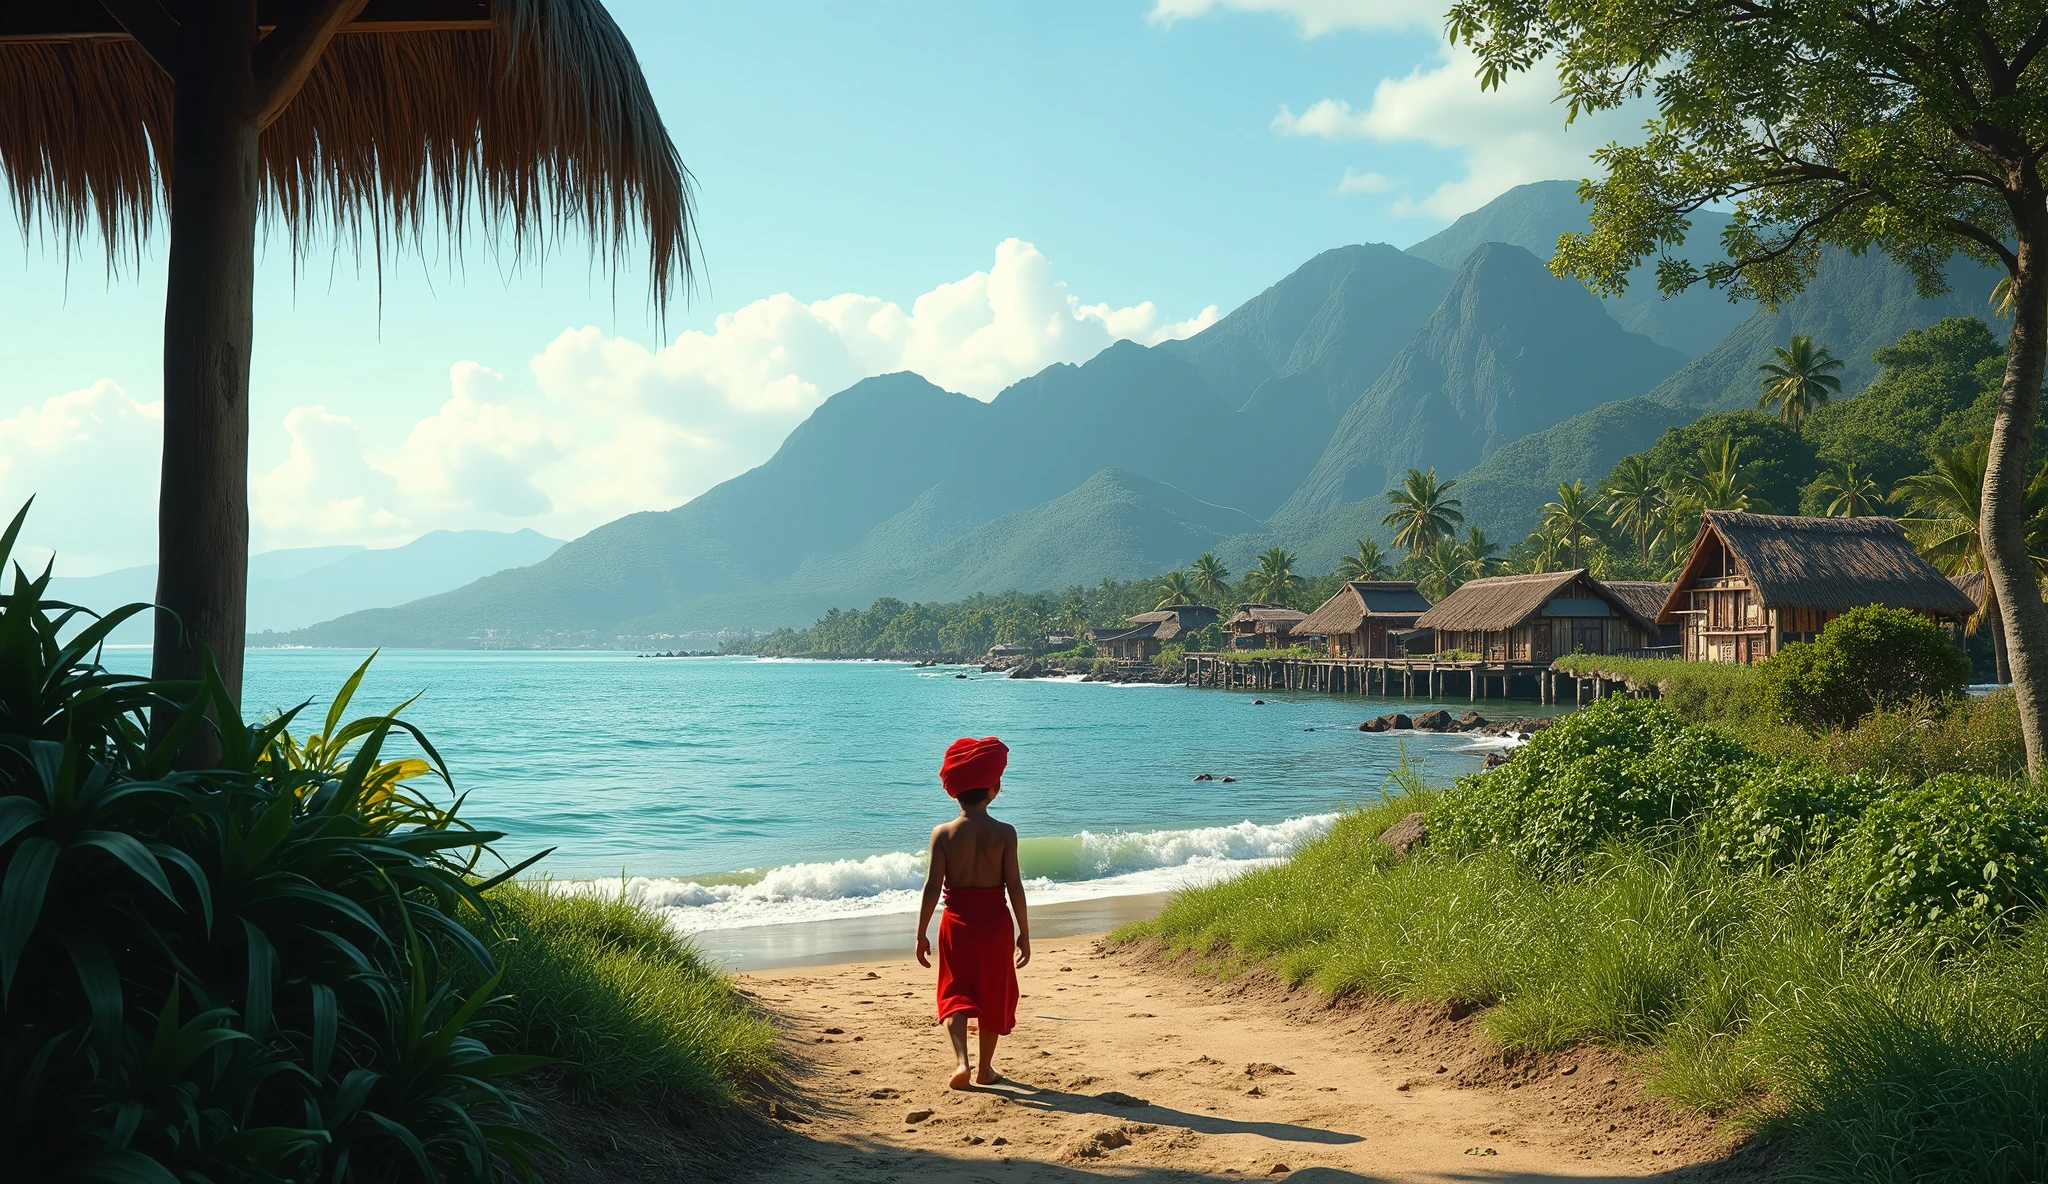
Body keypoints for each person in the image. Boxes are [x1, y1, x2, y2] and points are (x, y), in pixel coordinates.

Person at [916, 735, 1031, 1090]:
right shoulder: (1005, 833)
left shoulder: (943, 834)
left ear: (953, 791)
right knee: (993, 994)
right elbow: (1014, 886)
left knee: (955, 994)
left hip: (956, 925)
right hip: (995, 924)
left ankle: (961, 1062)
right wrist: (1024, 933)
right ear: (994, 789)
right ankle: (985, 1069)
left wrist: (920, 933)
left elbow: (932, 888)